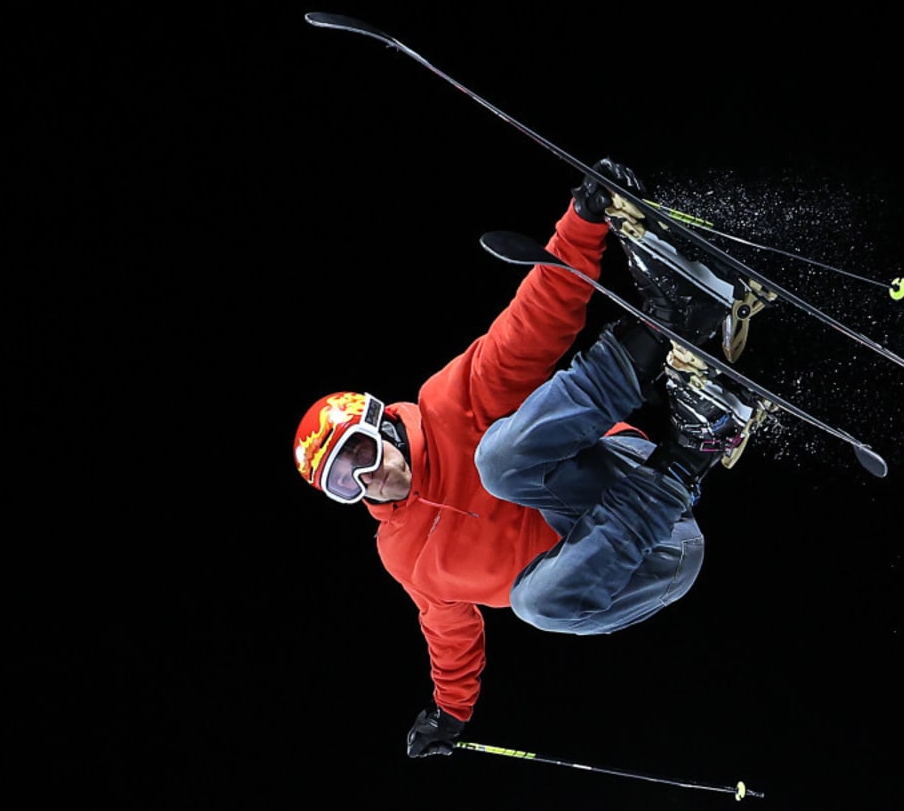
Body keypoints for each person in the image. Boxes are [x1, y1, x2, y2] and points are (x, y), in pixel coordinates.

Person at [292, 160, 763, 758]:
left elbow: (528, 329)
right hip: (653, 556)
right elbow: (449, 634)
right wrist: (449, 713)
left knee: (498, 461)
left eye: (359, 450)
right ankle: (693, 449)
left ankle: (659, 331)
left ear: (382, 421)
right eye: (343, 481)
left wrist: (584, 222)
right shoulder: (403, 555)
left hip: (616, 476)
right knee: (533, 603)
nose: (368, 476)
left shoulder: (450, 405)